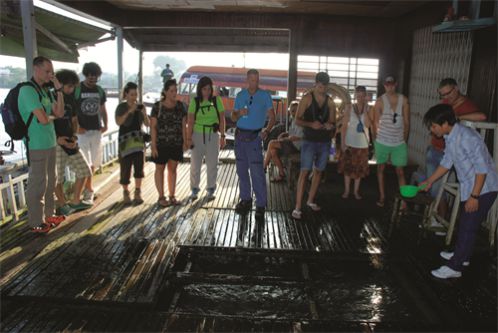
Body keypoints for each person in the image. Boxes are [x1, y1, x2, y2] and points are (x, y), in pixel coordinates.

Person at [422, 104, 497, 279]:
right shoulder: (451, 136)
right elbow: (447, 162)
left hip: (483, 188)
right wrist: (430, 180)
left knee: (467, 227)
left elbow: (482, 169)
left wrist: (474, 196)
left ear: (445, 123)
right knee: (466, 224)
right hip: (470, 186)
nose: (432, 130)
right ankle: (462, 256)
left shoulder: (468, 138)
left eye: (433, 126)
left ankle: (455, 266)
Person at [426, 78, 487, 228]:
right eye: (442, 95)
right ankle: (438, 218)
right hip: (436, 149)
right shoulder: (445, 104)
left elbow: (482, 117)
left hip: (450, 152)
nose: (446, 97)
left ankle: (441, 219)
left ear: (456, 88)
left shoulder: (467, 107)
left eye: (448, 93)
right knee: (433, 187)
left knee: (438, 188)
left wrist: (458, 118)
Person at [18, 56, 65, 233]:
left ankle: (49, 215)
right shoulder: (27, 90)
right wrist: (51, 118)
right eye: (47, 71)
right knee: (37, 183)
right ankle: (35, 222)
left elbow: (59, 112)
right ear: (35, 69)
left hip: (50, 142)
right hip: (36, 144)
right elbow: (44, 119)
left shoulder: (45, 91)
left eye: (51, 72)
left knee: (51, 181)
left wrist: (58, 90)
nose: (49, 75)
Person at [232, 69, 276, 220]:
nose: (254, 82)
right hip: (239, 138)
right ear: (247, 80)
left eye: (257, 80)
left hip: (255, 138)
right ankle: (245, 200)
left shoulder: (265, 96)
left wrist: (267, 130)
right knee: (242, 171)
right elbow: (233, 116)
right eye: (252, 79)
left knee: (257, 173)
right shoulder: (240, 95)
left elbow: (272, 117)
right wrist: (239, 113)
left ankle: (261, 205)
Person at [292, 72, 336, 220]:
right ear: (315, 83)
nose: (322, 88)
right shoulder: (307, 98)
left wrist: (330, 126)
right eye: (320, 85)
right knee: (305, 171)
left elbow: (332, 122)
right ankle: (297, 207)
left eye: (324, 86)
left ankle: (310, 200)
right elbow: (297, 120)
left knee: (318, 171)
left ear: (327, 86)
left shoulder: (330, 102)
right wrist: (311, 124)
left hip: (324, 141)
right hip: (309, 140)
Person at [53, 70, 93, 216]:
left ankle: (76, 201)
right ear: (60, 84)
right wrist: (58, 138)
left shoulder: (71, 100)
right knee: (57, 177)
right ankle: (63, 204)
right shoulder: (51, 97)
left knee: (84, 170)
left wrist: (74, 137)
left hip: (70, 141)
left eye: (73, 87)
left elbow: (75, 120)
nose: (71, 89)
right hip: (56, 143)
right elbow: (46, 123)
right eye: (69, 86)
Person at [372, 75, 410, 208]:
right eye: (387, 85)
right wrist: (375, 140)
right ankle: (382, 196)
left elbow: (406, 122)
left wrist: (404, 140)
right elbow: (375, 122)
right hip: (382, 140)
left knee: (400, 171)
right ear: (384, 85)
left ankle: (404, 201)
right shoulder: (380, 101)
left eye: (392, 84)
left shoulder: (404, 100)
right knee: (381, 168)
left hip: (398, 142)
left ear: (396, 84)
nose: (390, 87)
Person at [186, 76, 226, 200]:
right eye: (204, 89)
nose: (207, 92)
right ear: (200, 89)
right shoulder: (195, 102)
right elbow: (190, 121)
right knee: (195, 164)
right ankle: (194, 189)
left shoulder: (216, 100)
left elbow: (222, 119)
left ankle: (210, 189)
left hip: (213, 135)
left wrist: (223, 136)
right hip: (197, 135)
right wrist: (188, 138)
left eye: (209, 89)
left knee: (212, 164)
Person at [150, 79, 187, 207]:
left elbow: (183, 125)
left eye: (175, 90)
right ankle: (161, 196)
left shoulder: (180, 106)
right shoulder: (157, 107)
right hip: (161, 143)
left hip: (176, 143)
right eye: (171, 91)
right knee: (159, 169)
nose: (174, 93)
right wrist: (153, 145)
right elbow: (153, 127)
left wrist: (185, 140)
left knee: (173, 169)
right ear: (165, 92)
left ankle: (172, 195)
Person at [75, 62, 108, 204]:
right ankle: (88, 190)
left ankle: (88, 188)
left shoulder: (100, 90)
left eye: (95, 77)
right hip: (82, 132)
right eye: (90, 76)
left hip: (96, 131)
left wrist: (106, 124)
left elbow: (102, 109)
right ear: (85, 75)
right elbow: (72, 110)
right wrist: (76, 128)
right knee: (86, 163)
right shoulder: (77, 89)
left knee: (93, 163)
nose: (92, 79)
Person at [115, 82, 150, 205]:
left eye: (136, 94)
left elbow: (147, 124)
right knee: (125, 169)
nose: (134, 97)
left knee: (139, 168)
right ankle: (125, 192)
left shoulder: (140, 107)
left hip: (138, 142)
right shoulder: (121, 107)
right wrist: (130, 111)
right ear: (126, 94)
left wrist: (144, 112)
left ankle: (137, 191)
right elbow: (119, 122)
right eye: (131, 94)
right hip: (125, 143)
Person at [338, 86, 371, 200]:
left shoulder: (369, 109)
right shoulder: (349, 108)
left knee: (359, 169)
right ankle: (347, 190)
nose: (360, 98)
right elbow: (343, 126)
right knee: (347, 168)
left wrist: (366, 111)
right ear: (355, 96)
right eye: (358, 96)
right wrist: (342, 143)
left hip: (362, 144)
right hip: (349, 142)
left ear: (366, 96)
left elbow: (367, 125)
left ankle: (356, 191)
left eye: (362, 96)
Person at [263, 101, 302, 182]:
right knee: (273, 151)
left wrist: (284, 139)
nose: (293, 113)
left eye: (295, 110)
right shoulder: (294, 119)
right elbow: (291, 133)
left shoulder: (301, 120)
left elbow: (295, 137)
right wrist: (284, 134)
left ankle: (264, 167)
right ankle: (281, 174)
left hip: (296, 146)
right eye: (292, 111)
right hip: (292, 143)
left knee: (271, 143)